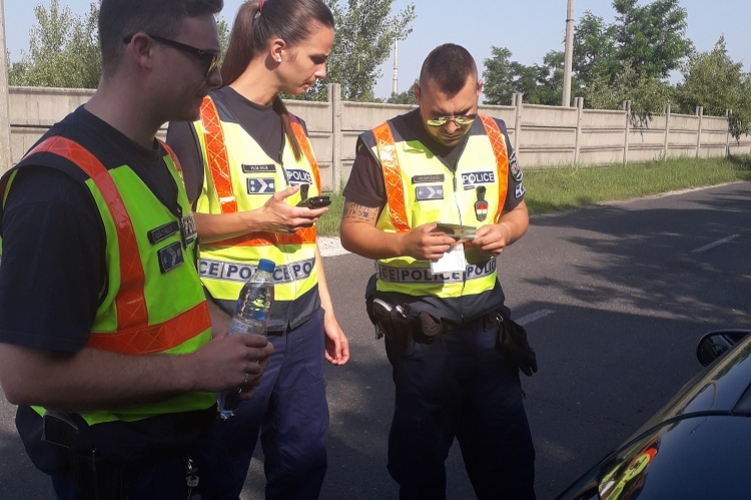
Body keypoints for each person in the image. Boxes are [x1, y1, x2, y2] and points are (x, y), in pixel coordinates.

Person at [0, 0, 275, 498]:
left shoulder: (163, 158)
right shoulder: (57, 192)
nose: (215, 78)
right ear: (143, 50)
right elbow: (24, 376)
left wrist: (232, 343)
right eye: (203, 58)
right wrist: (197, 370)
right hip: (113, 472)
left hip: (172, 453)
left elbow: (173, 290)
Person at [165, 0, 350, 498]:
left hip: (304, 325)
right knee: (219, 470)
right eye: (316, 58)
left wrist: (328, 314)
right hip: (233, 328)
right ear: (277, 49)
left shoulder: (297, 130)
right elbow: (174, 228)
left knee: (302, 465)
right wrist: (259, 217)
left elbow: (305, 236)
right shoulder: (198, 120)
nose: (322, 71)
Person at [340, 43, 536, 500]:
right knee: (421, 471)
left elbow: (520, 212)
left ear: (480, 91)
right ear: (417, 94)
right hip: (422, 341)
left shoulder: (496, 137)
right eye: (437, 115)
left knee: (508, 470)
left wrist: (505, 231)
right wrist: (402, 243)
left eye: (463, 113)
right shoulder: (382, 147)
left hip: (489, 335)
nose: (451, 125)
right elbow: (351, 230)